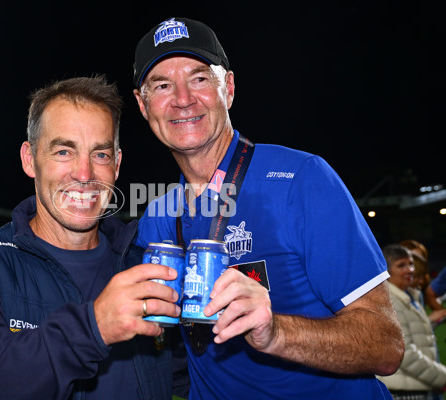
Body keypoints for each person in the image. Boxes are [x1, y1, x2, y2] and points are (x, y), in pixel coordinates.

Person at [131, 17, 404, 399]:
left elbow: (386, 345)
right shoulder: (157, 217)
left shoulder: (302, 179)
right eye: (162, 85)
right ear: (143, 106)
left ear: (227, 87)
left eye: (199, 78)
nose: (182, 98)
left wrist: (276, 332)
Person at [0, 76, 188, 399]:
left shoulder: (144, 265)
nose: (84, 174)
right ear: (29, 158)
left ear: (117, 165)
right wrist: (93, 327)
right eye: (64, 151)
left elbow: (197, 375)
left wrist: (254, 328)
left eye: (100, 155)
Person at [377, 244, 446, 400]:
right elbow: (405, 355)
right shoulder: (390, 301)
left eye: (411, 264)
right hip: (405, 393)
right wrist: (442, 377)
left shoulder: (409, 296)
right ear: (386, 270)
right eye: (401, 265)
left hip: (418, 388)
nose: (410, 269)